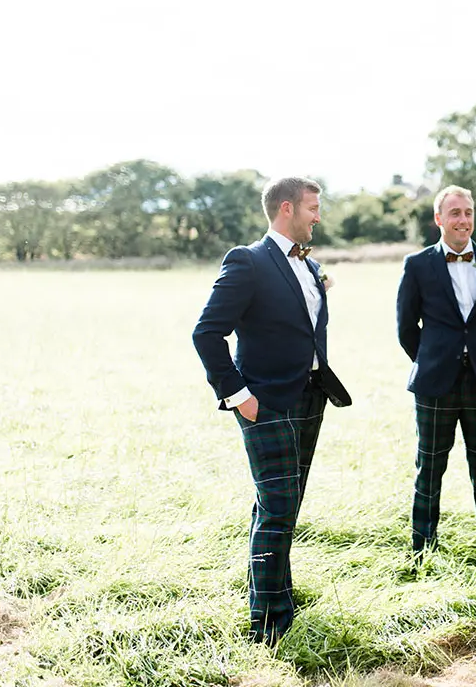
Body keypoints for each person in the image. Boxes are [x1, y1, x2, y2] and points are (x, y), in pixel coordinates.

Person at [191, 176, 351, 644]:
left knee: (284, 505)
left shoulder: (311, 265)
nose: (318, 216)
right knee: (278, 506)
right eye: (312, 208)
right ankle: (269, 625)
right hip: (265, 401)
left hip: (309, 397)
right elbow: (207, 333)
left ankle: (273, 592)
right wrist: (240, 396)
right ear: (287, 208)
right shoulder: (248, 261)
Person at [395, 185, 476, 567]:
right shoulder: (417, 265)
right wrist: (433, 359)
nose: (463, 220)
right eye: (455, 213)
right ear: (438, 219)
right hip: (435, 382)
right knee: (429, 466)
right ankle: (422, 549)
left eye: (468, 212)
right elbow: (405, 327)